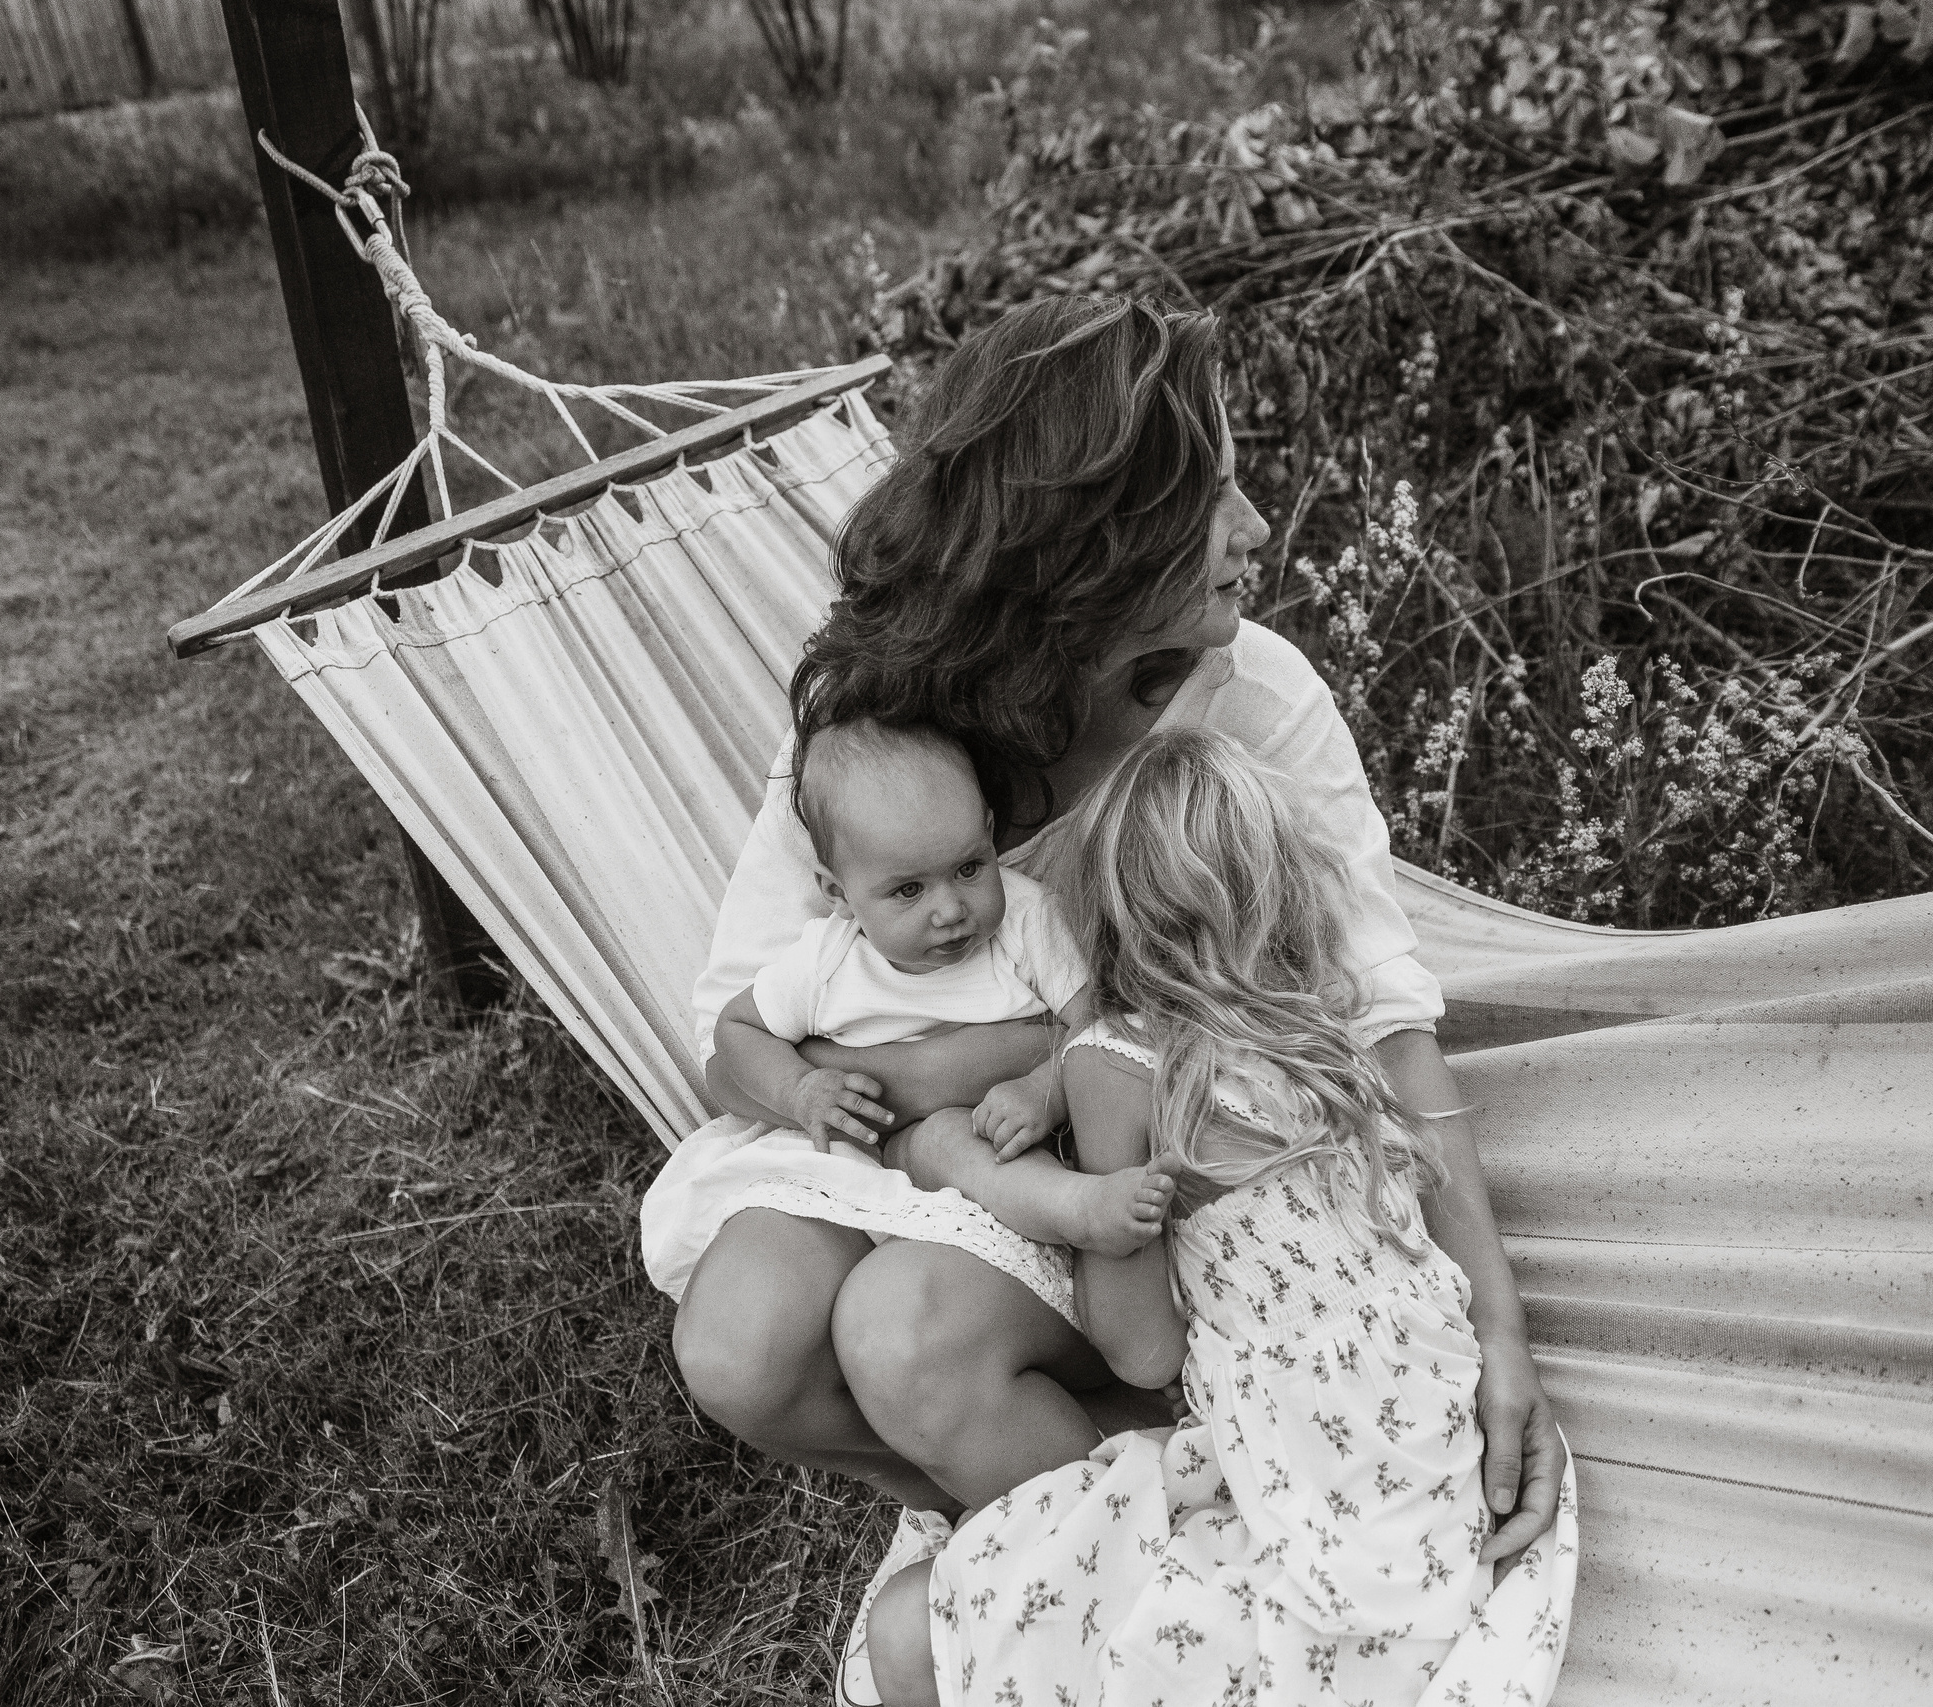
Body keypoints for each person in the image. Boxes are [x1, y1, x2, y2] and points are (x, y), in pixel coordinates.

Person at [660, 295, 1565, 1704]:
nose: (1259, 527)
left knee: (904, 1328)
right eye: (1210, 498)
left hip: (1151, 1185)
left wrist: (1498, 1336)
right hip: (953, 1142)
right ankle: (1056, 1517)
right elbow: (739, 1029)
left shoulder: (1253, 701)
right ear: (1085, 558)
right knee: (738, 1338)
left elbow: (1390, 1026)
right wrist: (1007, 1069)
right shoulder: (889, 740)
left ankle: (1142, 1564)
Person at [860, 727, 1577, 1706]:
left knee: (925, 1625)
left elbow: (1141, 1353)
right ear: (1284, 883)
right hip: (1429, 1469)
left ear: (1104, 917)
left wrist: (1062, 1184)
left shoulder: (1119, 1061)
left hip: (1301, 1477)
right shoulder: (1341, 1030)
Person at [642, 716, 1179, 1311]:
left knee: (951, 1137)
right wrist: (798, 1090)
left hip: (1016, 1143)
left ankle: (1077, 1211)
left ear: (989, 834)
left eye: (969, 868)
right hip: (885, 1166)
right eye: (908, 891)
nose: (950, 909)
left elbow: (1100, 1024)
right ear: (839, 893)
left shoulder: (1029, 924)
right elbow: (735, 1031)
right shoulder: (827, 961)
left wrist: (1043, 1089)